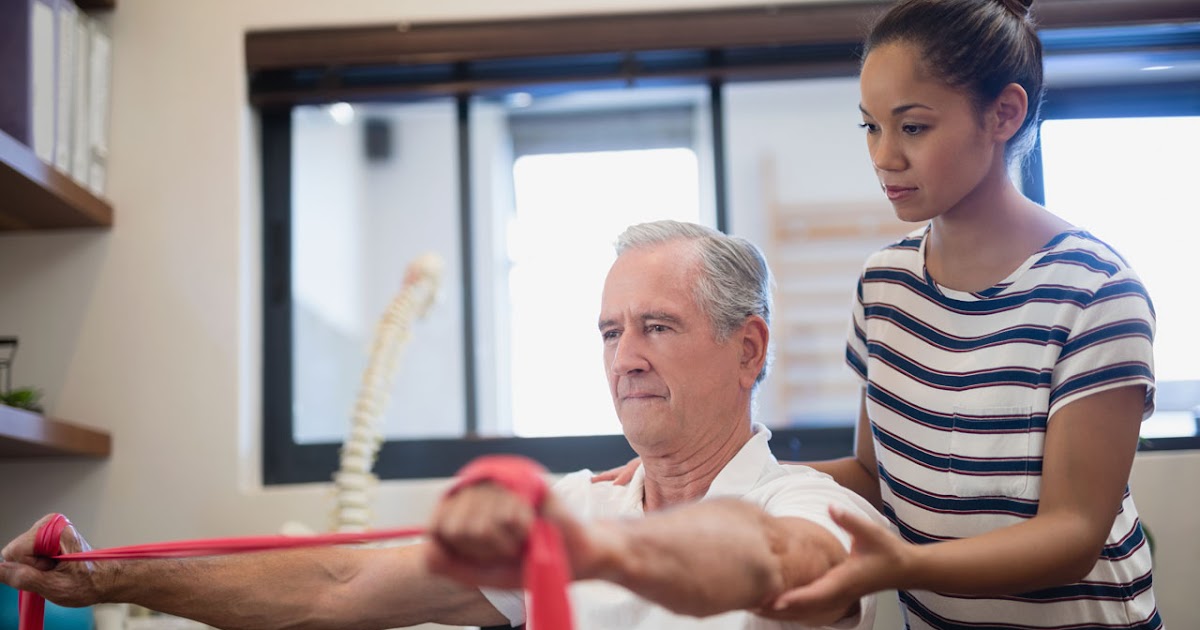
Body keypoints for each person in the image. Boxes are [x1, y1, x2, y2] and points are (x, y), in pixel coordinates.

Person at [1, 220, 885, 630]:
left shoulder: (813, 510)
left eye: (658, 327)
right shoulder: (573, 510)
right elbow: (335, 587)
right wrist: (114, 576)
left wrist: (585, 552)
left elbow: (772, 562)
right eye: (611, 332)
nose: (625, 358)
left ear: (749, 349)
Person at [598, 1, 1161, 628]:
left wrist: (904, 565)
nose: (884, 156)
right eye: (870, 127)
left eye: (912, 128)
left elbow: (1073, 533)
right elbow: (874, 472)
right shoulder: (884, 285)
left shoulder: (1095, 290)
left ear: (1004, 113)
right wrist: (706, 476)